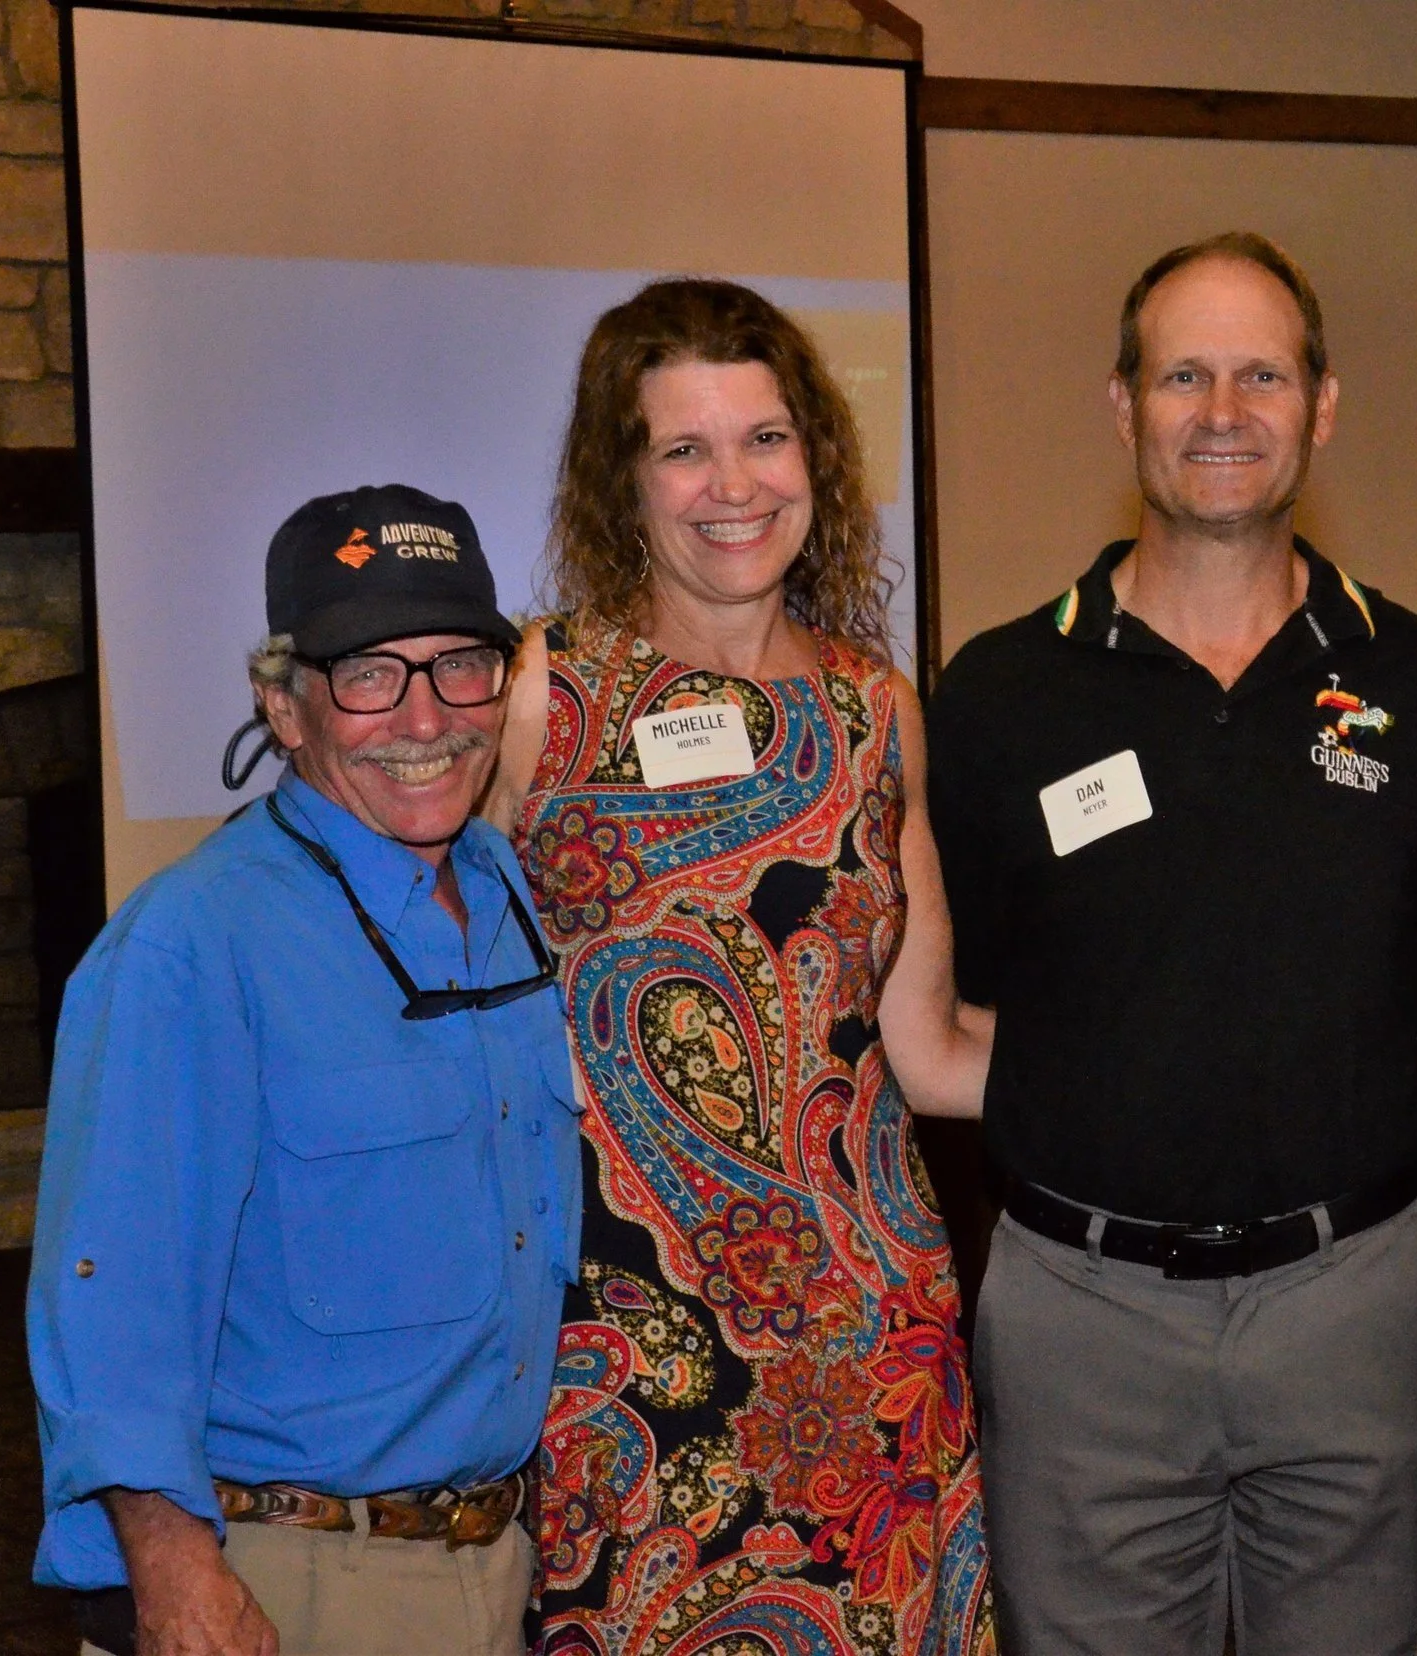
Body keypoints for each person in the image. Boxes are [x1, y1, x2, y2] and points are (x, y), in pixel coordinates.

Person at [925, 231, 1417, 1656]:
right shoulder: (1001, 696)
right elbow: (970, 992)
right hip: (1081, 1324)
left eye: (1260, 372)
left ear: (1321, 405)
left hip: (1359, 1311)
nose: (1222, 409)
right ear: (1122, 407)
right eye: (1181, 373)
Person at [478, 277, 996, 1656]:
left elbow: (930, 1051)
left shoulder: (873, 716)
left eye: (764, 439)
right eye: (683, 448)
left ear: (814, 457)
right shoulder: (542, 698)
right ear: (623, 480)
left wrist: (1179, 1040)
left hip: (874, 1352)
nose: (732, 485)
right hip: (628, 1368)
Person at [28, 484, 582, 1656]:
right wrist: (174, 1576)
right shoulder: (189, 946)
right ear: (285, 707)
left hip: (502, 1572)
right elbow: (111, 1298)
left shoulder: (511, 894)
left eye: (461, 667)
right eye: (371, 674)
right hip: (285, 1584)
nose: (426, 716)